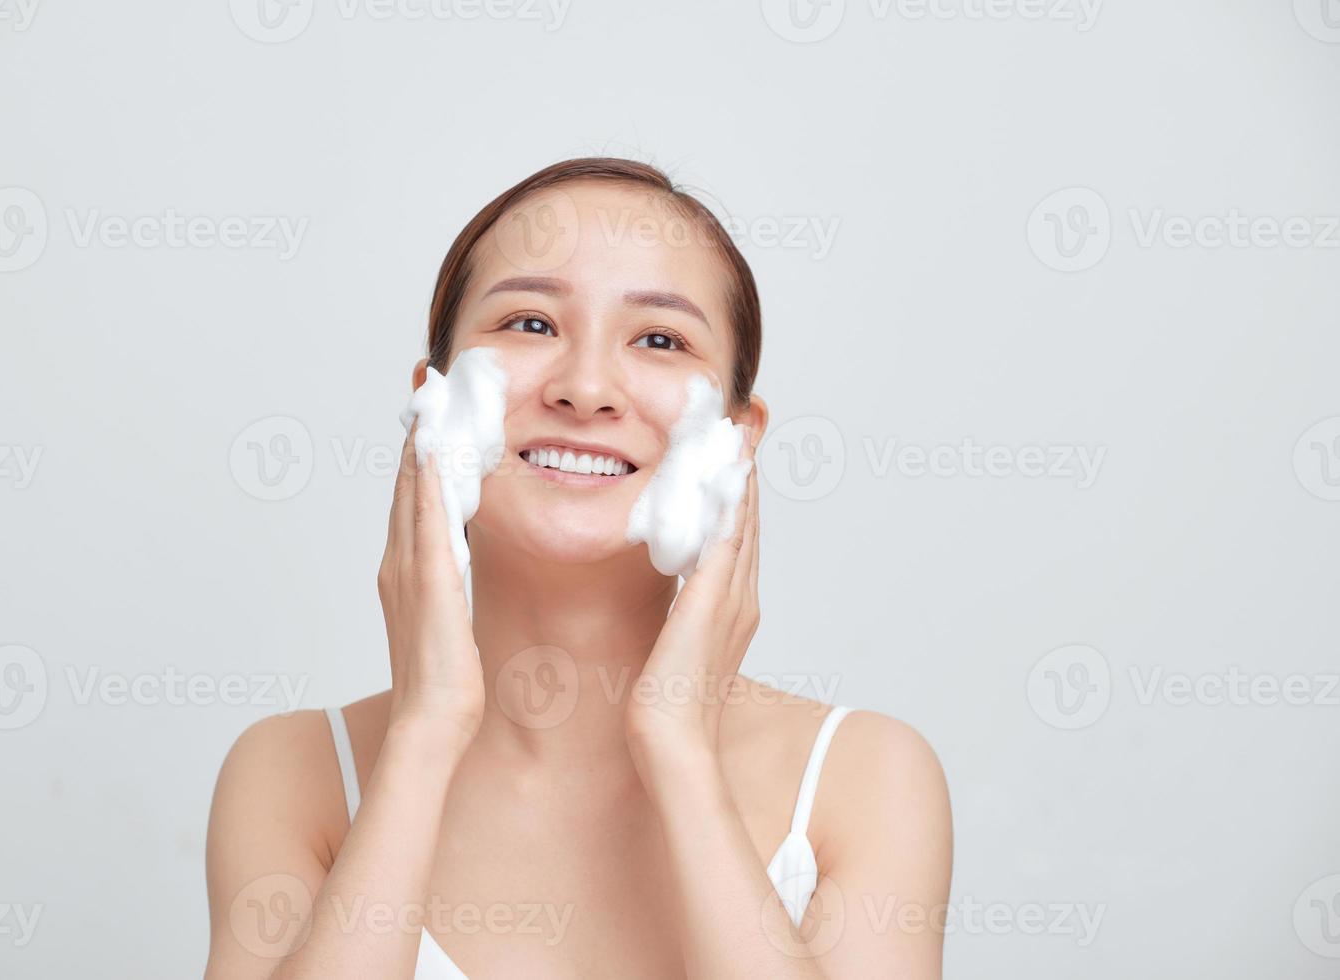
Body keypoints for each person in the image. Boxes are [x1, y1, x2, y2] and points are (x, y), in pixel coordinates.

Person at [203, 157, 953, 978]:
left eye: (659, 339)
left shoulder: (863, 779)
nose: (586, 387)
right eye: (530, 323)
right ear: (430, 401)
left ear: (738, 438)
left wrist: (676, 748)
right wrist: (425, 735)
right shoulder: (294, 774)